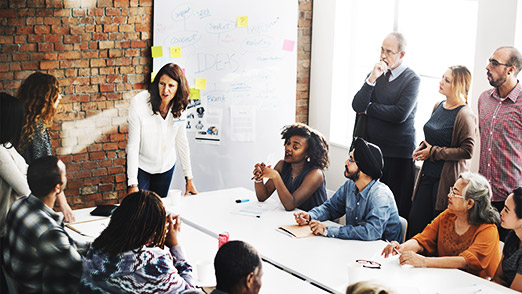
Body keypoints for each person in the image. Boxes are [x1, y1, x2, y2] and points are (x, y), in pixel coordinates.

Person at [352, 32, 420, 219]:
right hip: (373, 152)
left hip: (398, 153)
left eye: (389, 51)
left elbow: (400, 114)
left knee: (395, 207)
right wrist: (372, 79)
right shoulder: (375, 74)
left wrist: (369, 108)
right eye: (382, 50)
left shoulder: (412, 79)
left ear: (402, 54)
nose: (383, 55)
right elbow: (357, 105)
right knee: (370, 205)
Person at [382, 172, 501, 279]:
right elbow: (423, 239)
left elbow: (465, 261)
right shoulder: (448, 215)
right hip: (445, 279)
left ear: (470, 203)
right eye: (451, 190)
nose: (449, 195)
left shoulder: (488, 229)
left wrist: (423, 261)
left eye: (455, 193)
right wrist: (402, 247)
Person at [78, 190, 195, 293]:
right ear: (153, 232)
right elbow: (190, 291)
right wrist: (175, 246)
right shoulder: (155, 266)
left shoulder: (95, 250)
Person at [2, 156, 90, 293]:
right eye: (65, 174)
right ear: (57, 187)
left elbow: (65, 246)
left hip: (20, 281)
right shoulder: (49, 232)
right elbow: (85, 271)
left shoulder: (18, 205)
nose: (67, 177)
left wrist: (97, 245)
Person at [407, 66, 477, 238]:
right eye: (442, 78)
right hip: (427, 175)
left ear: (458, 85)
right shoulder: (438, 106)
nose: (441, 82)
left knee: (437, 230)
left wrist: (434, 152)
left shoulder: (464, 114)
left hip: (445, 182)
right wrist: (423, 148)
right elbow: (434, 137)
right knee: (415, 224)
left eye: (447, 80)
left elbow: (467, 151)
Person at [294, 137, 401, 241]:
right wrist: (310, 216)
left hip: (381, 253)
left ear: (364, 168)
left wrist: (328, 230)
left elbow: (371, 232)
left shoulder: (380, 195)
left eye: (351, 160)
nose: (346, 162)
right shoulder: (349, 185)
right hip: (355, 246)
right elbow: (331, 208)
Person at [127, 63, 197, 198]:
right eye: (162, 84)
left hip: (166, 167)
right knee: (140, 211)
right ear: (156, 83)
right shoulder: (139, 102)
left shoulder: (181, 105)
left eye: (171, 86)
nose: (165, 90)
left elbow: (182, 142)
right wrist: (132, 184)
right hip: (142, 167)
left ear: (178, 88)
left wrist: (189, 178)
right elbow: (133, 145)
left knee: (158, 209)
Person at [16, 72, 74, 222]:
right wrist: (64, 205)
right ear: (45, 98)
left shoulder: (20, 122)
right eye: (56, 93)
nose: (60, 97)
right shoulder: (36, 128)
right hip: (35, 200)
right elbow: (49, 170)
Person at [478, 46, 522, 241]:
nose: (488, 67)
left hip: (510, 201)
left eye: (494, 63)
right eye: (489, 61)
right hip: (483, 195)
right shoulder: (483, 99)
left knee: (504, 260)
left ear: (510, 70)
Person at [252, 123, 329, 211]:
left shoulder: (315, 174)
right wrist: (259, 178)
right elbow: (262, 196)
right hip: (292, 218)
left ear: (308, 153)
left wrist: (276, 176)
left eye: (295, 147)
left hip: (315, 222)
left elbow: (290, 205)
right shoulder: (281, 165)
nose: (288, 148)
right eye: (288, 143)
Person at [0, 93, 31, 236]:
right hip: (7, 230)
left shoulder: (6, 145)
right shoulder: (0, 152)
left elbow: (28, 170)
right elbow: (26, 189)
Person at [493, 187, 522, 291]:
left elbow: (515, 291)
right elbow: (498, 277)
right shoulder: (513, 235)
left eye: (506, 210)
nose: (501, 212)